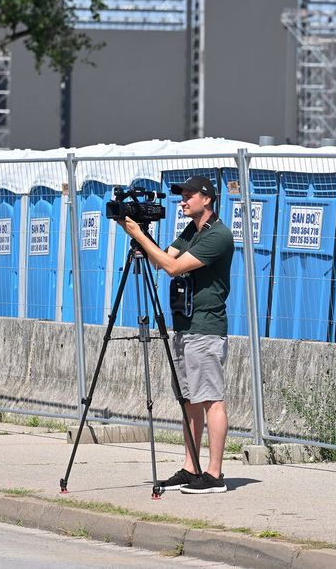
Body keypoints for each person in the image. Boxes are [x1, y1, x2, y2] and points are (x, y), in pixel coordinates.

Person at [120, 174, 234, 494]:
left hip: (205, 329)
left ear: (206, 199)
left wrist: (139, 236)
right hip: (184, 327)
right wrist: (133, 229)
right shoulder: (191, 232)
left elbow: (173, 268)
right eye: (181, 195)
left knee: (210, 399)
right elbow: (164, 259)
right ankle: (191, 466)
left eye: (188, 195)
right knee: (188, 401)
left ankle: (214, 474)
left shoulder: (218, 235)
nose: (182, 200)